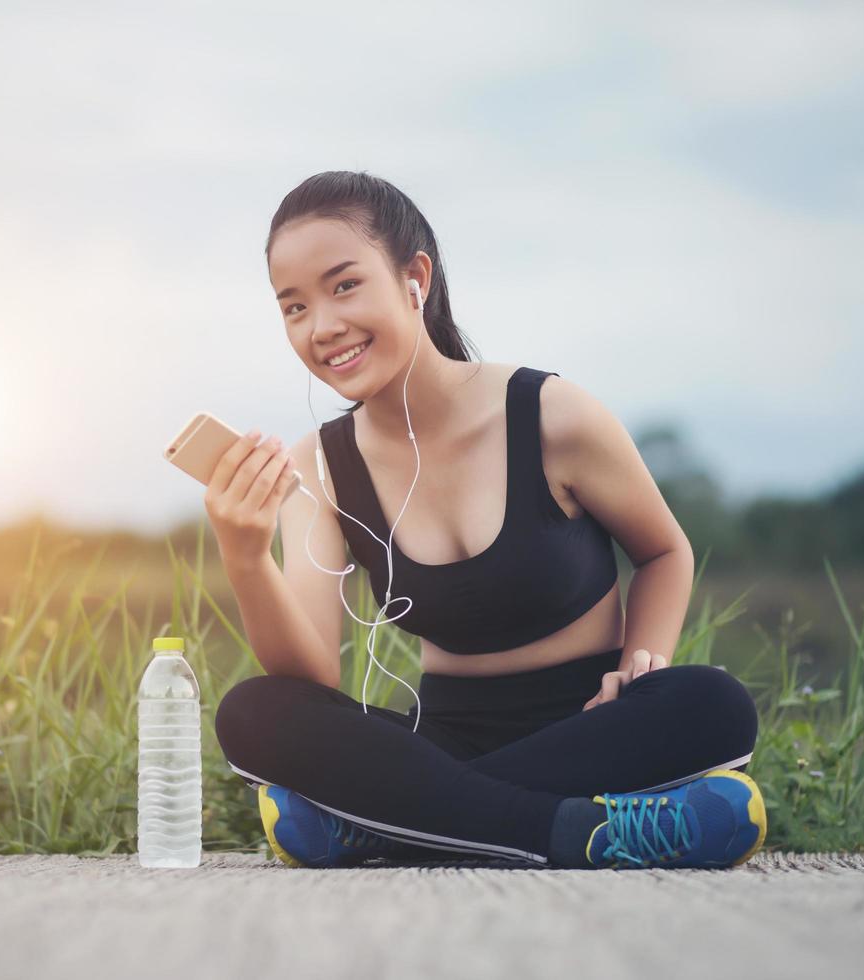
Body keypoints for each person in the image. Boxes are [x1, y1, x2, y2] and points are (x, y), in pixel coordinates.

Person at [204, 170, 764, 870]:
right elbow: (312, 681)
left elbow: (663, 552)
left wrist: (640, 661)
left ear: (415, 278)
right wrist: (245, 558)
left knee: (712, 704)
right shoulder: (318, 467)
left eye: (344, 285)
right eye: (293, 307)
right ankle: (580, 832)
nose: (322, 327)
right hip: (440, 739)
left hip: (593, 728)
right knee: (254, 714)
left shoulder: (551, 415)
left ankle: (387, 823)